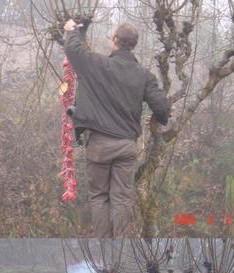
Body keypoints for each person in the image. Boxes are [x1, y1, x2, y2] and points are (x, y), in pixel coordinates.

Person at [63, 20, 171, 238]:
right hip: (126, 147)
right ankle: (119, 247)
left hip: (99, 146)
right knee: (122, 198)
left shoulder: (97, 64)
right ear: (134, 45)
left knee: (99, 197)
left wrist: (72, 30)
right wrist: (161, 116)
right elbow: (162, 108)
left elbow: (73, 50)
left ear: (114, 41)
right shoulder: (144, 76)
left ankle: (104, 250)